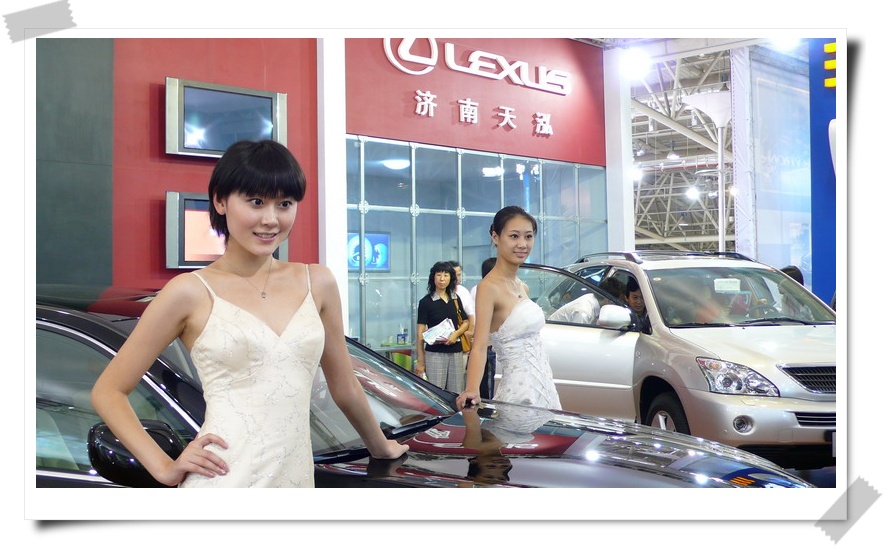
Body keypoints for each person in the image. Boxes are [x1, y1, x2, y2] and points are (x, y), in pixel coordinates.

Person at [90, 140, 407, 488]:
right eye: (256, 202)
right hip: (222, 480)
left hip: (295, 481)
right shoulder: (188, 292)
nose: (271, 219)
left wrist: (381, 447)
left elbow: (345, 386)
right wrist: (164, 467)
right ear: (220, 201)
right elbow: (109, 391)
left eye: (284, 204)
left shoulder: (318, 282)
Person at [456, 206, 560, 410]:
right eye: (514, 236)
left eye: (528, 236)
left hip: (545, 388)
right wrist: (472, 389)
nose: (522, 244)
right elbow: (479, 346)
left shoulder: (523, 286)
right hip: (519, 394)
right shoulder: (488, 288)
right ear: (495, 237)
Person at [415, 261, 470, 392]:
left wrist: (456, 334)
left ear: (451, 278)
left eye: (446, 275)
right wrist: (421, 361)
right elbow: (420, 332)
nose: (442, 279)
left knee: (456, 391)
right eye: (438, 275)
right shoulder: (426, 302)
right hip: (435, 353)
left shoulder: (455, 298)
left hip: (456, 351)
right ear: (433, 277)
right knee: (436, 391)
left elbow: (466, 322)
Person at [470, 257, 498, 399]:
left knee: (493, 378)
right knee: (487, 379)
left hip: (496, 342)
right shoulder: (481, 289)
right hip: (487, 342)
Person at [450, 260, 476, 372]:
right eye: (454, 274)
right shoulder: (436, 293)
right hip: (441, 342)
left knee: (459, 376)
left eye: (459, 274)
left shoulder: (463, 291)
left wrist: (469, 333)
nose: (457, 278)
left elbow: (471, 315)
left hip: (460, 339)